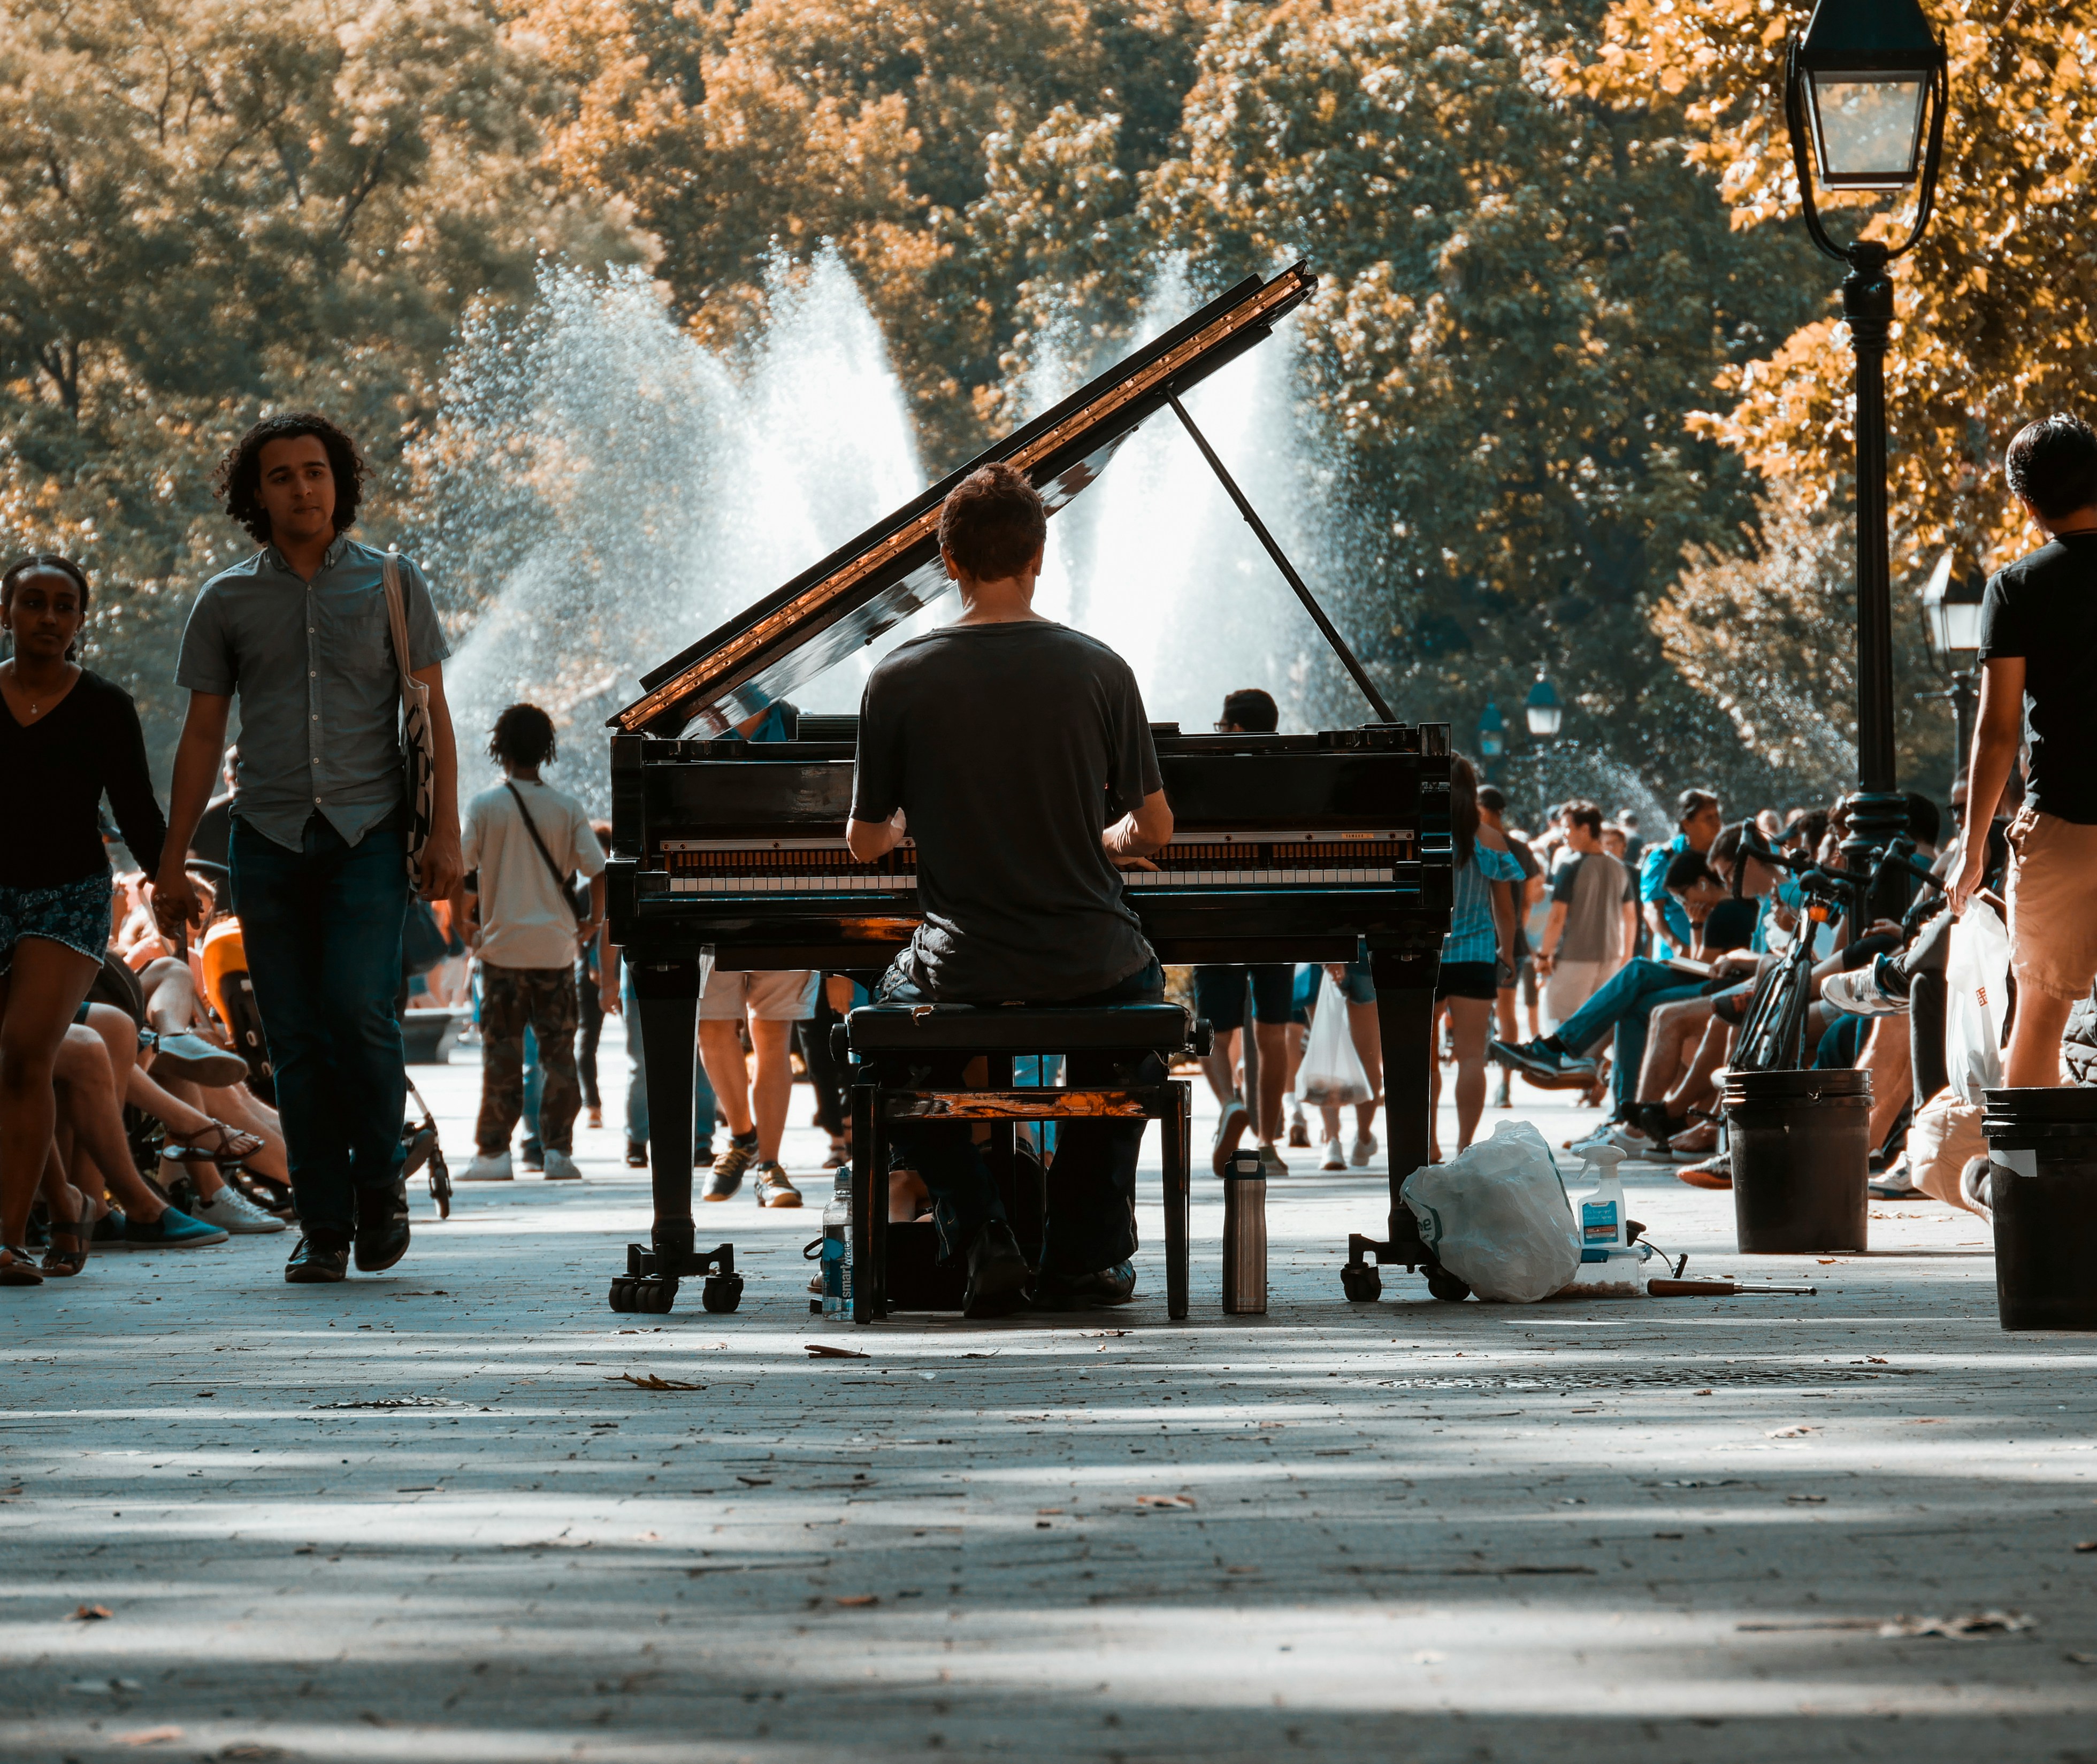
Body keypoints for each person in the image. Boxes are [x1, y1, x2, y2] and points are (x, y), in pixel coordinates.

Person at [845, 462, 1173, 1315]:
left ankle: (981, 1226)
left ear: (948, 563)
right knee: (1134, 1028)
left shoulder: (897, 676)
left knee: (885, 1043)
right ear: (1040, 555)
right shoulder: (1101, 669)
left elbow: (864, 840)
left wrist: (911, 830)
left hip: (963, 961)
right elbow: (1157, 829)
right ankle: (1082, 1256)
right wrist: (1109, 839)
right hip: (1093, 954)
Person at [154, 412, 463, 1284]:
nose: (302, 487)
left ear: (341, 480)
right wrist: (173, 860)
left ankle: (379, 1191)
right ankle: (323, 1224)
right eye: (282, 475)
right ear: (257, 494)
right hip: (269, 837)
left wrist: (444, 833)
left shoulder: (394, 584)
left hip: (368, 835)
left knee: (362, 1018)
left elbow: (432, 713)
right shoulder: (225, 600)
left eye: (316, 471)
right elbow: (202, 734)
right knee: (292, 1037)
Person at [0, 555, 196, 1283]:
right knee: (13, 1066)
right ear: (6, 613)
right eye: (32, 603)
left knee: (23, 1052)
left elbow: (139, 811)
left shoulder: (104, 705)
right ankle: (68, 1201)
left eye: (63, 606)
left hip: (67, 894)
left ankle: (9, 1238)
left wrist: (169, 880)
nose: (48, 618)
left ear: (81, 621)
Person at [1950, 412, 2097, 1086]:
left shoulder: (2014, 587)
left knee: (2039, 1010)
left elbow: (1997, 731)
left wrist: (1971, 845)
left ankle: (2026, 1182)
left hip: (2064, 823)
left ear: (2027, 503)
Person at [457, 704, 605, 1184]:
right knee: (559, 1054)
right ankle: (558, 1153)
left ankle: (494, 1155)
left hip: (501, 952)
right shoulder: (567, 808)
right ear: (548, 750)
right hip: (557, 952)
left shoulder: (484, 806)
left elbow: (462, 875)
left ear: (498, 748)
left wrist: (466, 930)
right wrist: (592, 922)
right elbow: (599, 870)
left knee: (501, 1052)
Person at [1191, 688, 1294, 1176]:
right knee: (1273, 1032)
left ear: (1232, 728)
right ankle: (1269, 1143)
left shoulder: (1210, 770)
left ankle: (1230, 1102)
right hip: (1277, 913)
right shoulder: (1290, 769)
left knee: (1214, 1030)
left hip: (1217, 910)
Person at [1430, 755, 1521, 1161]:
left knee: (1423, 1059)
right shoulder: (1489, 839)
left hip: (1424, 954)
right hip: (1476, 954)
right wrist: (1508, 951)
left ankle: (1427, 1142)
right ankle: (1465, 1145)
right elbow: (1504, 908)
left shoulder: (1418, 836)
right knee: (1471, 1056)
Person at [1533, 800, 1635, 1029]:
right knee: (1597, 1027)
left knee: (1564, 1026)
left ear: (1586, 829)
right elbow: (1630, 917)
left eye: (1567, 827)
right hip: (1609, 958)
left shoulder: (1569, 865)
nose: (1563, 835)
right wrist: (1625, 956)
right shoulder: (1619, 868)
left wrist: (1543, 956)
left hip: (1573, 959)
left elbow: (1558, 917)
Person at [1637, 789, 1721, 960]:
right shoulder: (1664, 857)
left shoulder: (1725, 855)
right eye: (1708, 818)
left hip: (1721, 957)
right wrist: (1676, 946)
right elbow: (1652, 910)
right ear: (1687, 823)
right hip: (1678, 958)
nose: (1717, 823)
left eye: (1717, 816)